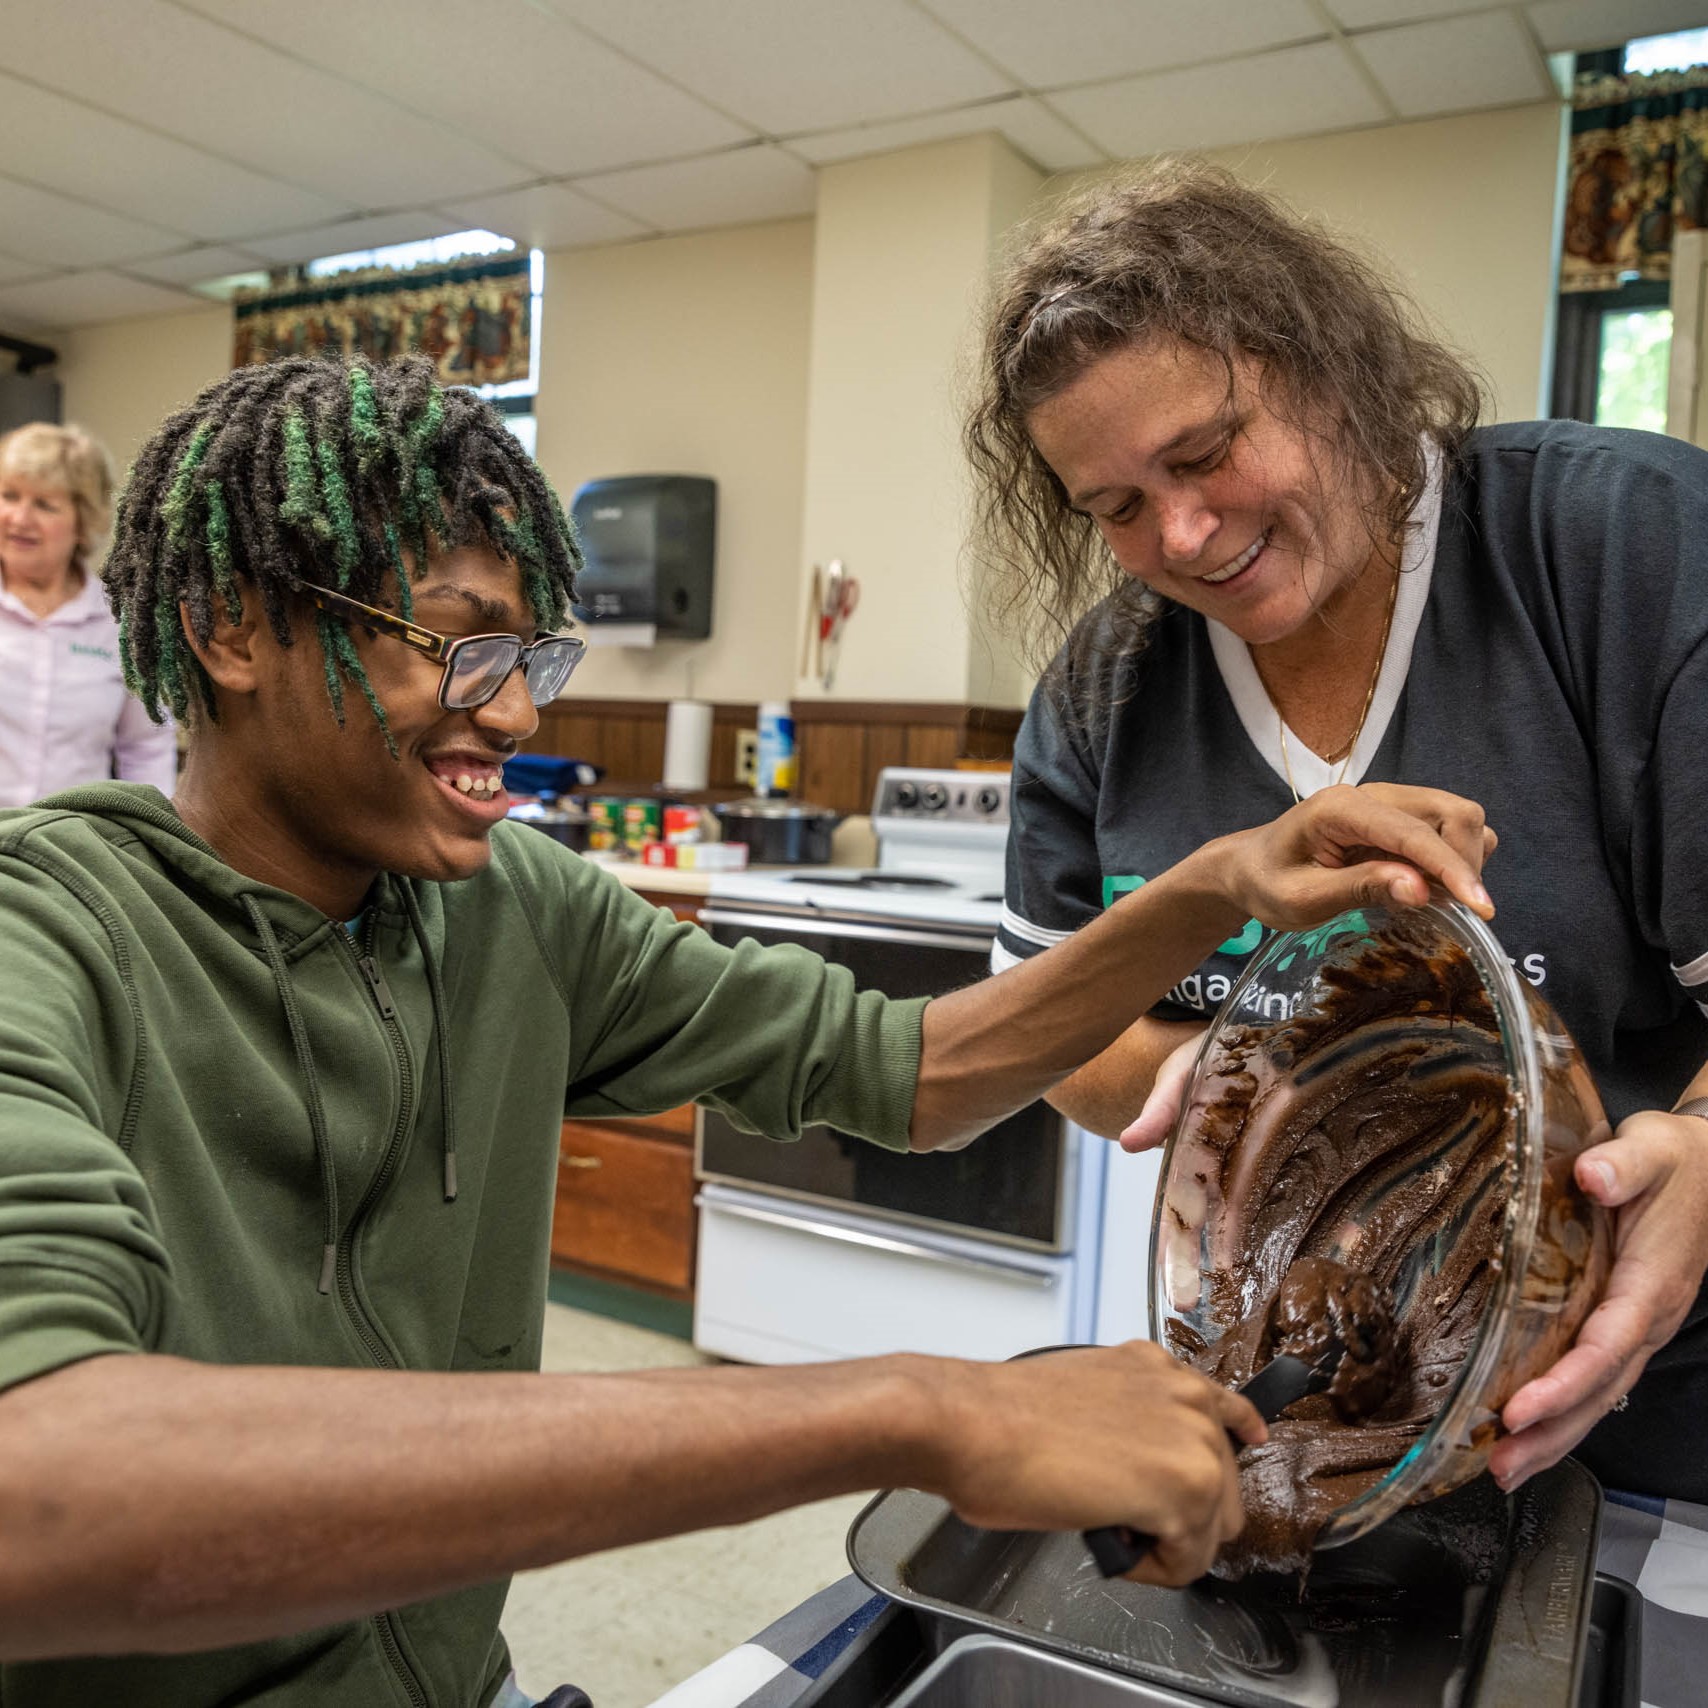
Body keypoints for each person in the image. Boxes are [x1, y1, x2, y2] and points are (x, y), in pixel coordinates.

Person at [0, 355, 1494, 1708]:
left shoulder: (515, 904)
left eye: (532, 657)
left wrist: (1209, 889)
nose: (513, 714)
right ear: (230, 630)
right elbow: (37, 1491)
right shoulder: (46, 935)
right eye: (455, 646)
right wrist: (917, 1408)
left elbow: (912, 1073)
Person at [965, 158, 1708, 1505]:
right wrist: (1227, 1074)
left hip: (1667, 1432)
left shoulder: (1625, 554)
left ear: (1330, 363)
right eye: (1116, 507)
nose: (1182, 533)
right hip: (1334, 1413)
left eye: (1205, 453)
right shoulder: (1106, 689)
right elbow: (1049, 1027)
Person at [0, 421, 176, 805]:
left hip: (71, 850)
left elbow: (146, 749)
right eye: (9, 496)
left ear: (83, 522)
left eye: (44, 504)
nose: (19, 518)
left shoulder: (119, 624)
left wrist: (150, 844)